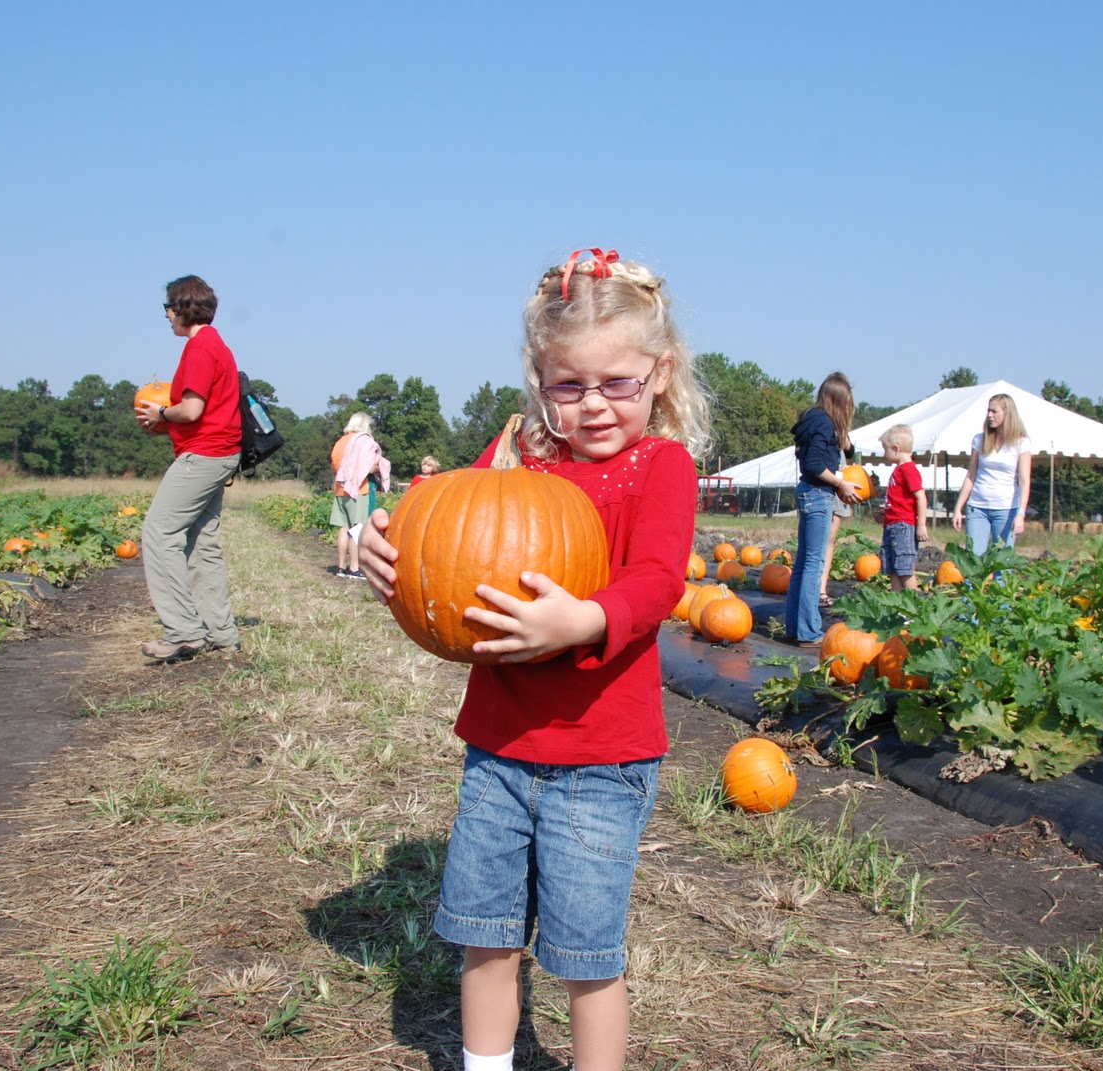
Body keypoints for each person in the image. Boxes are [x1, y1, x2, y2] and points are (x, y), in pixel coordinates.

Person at [358, 249, 710, 1071]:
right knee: (484, 938)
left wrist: (582, 619)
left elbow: (656, 581)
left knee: (588, 958)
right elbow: (448, 540)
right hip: (499, 749)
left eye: (615, 383)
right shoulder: (518, 452)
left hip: (601, 757)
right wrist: (387, 557)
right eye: (568, 385)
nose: (591, 406)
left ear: (659, 374)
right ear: (538, 377)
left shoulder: (662, 467)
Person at [133, 275, 242, 661]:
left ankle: (182, 631)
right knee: (201, 542)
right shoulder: (217, 345)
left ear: (183, 307)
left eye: (168, 307)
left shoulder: (199, 348)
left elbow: (192, 410)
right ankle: (221, 632)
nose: (166, 315)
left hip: (204, 453)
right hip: (221, 452)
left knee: (159, 532)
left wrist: (159, 412)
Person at [784, 373, 860, 647]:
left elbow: (846, 451)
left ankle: (795, 627)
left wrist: (845, 439)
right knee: (814, 565)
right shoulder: (825, 424)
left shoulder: (814, 420)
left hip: (808, 493)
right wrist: (842, 483)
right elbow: (815, 464)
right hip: (818, 495)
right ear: (841, 400)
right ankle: (808, 631)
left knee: (804, 563)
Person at [951, 393, 1032, 555]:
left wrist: (1021, 514)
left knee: (1002, 561)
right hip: (977, 508)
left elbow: (1024, 481)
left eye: (994, 411)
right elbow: (971, 475)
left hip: (1006, 509)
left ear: (1007, 413)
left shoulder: (1021, 443)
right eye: (988, 411)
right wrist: (958, 508)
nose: (989, 415)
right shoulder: (979, 440)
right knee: (973, 559)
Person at [329, 413, 390, 579]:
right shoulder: (363, 441)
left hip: (340, 488)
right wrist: (380, 469)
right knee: (357, 528)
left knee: (344, 527)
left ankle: (341, 566)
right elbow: (367, 468)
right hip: (358, 488)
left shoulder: (340, 442)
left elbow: (335, 465)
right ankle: (355, 568)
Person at [878, 425, 928, 591]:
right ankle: (897, 607)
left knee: (904, 568)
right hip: (892, 524)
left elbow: (920, 497)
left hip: (904, 526)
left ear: (896, 449)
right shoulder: (898, 470)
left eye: (885, 450)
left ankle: (913, 607)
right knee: (892, 568)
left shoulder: (909, 470)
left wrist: (921, 524)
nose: (884, 454)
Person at [819, 449, 854, 611]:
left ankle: (820, 589)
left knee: (829, 540)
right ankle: (815, 590)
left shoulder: (840, 434)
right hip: (825, 483)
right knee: (820, 540)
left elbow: (849, 449)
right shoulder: (822, 427)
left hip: (839, 479)